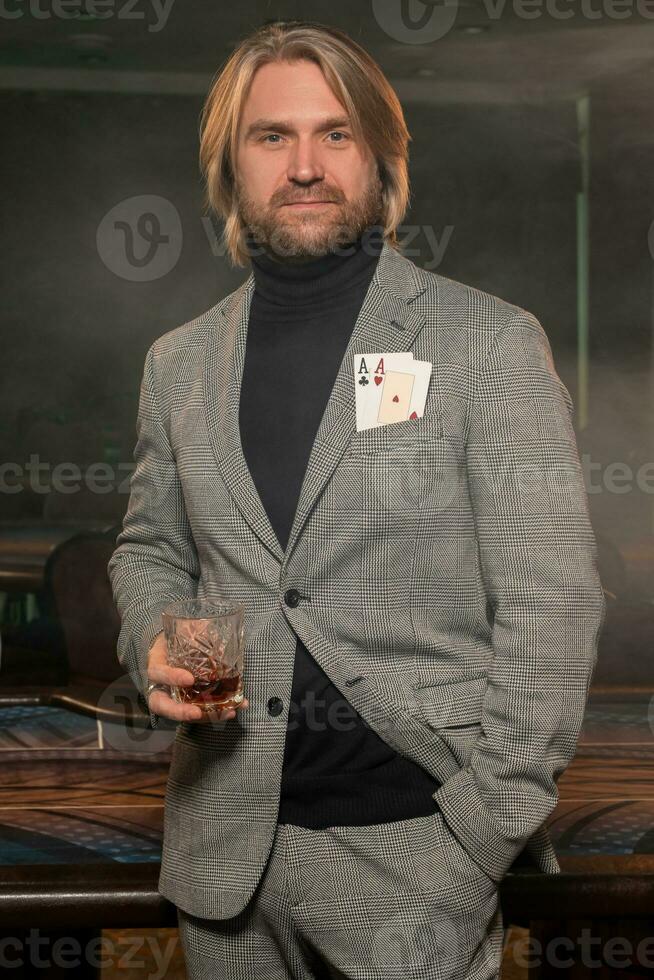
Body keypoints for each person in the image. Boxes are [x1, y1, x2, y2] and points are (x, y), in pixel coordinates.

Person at [108, 19, 606, 980]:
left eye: (335, 134)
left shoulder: (485, 342)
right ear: (231, 166)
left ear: (380, 158)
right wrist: (152, 635)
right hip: (224, 862)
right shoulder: (177, 365)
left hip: (415, 860)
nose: (305, 165)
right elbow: (147, 548)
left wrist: (478, 836)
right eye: (272, 137)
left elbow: (554, 601)